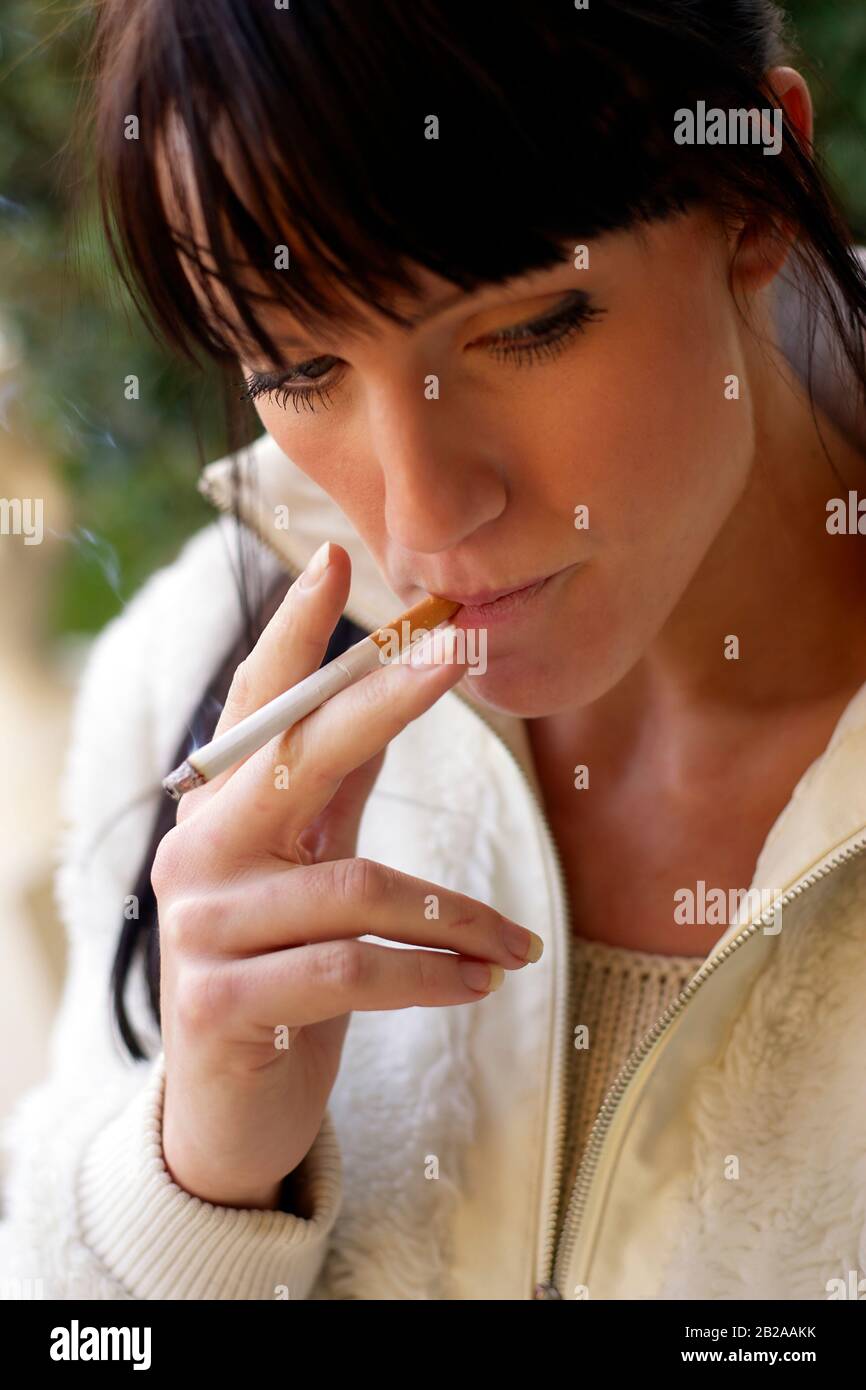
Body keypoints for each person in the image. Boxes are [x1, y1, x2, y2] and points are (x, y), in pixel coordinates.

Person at [2, 0, 866, 1300]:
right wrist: (198, 1177)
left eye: (525, 326)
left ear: (750, 191)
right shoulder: (189, 687)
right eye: (296, 367)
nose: (418, 516)